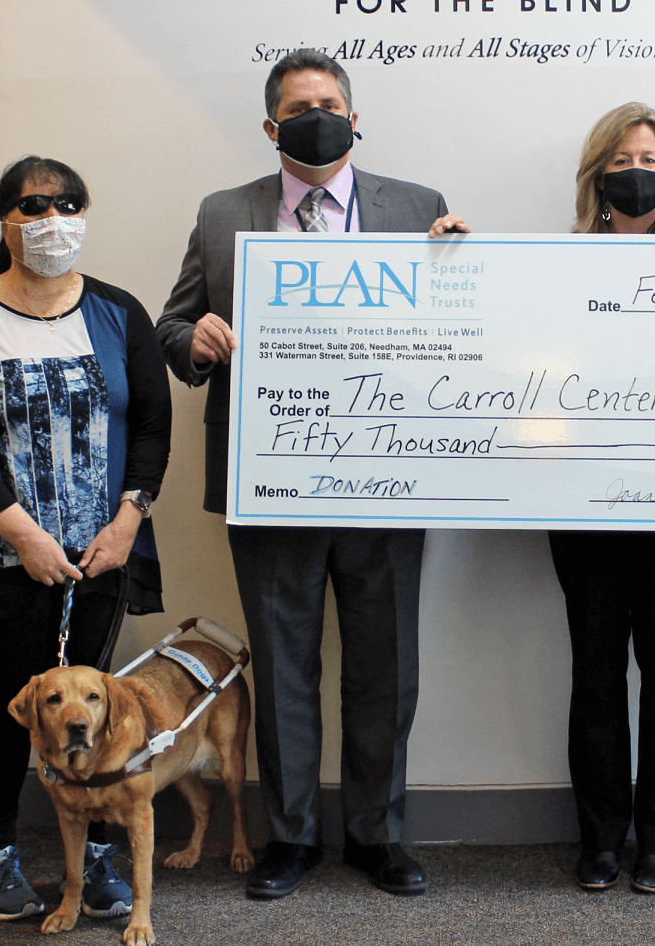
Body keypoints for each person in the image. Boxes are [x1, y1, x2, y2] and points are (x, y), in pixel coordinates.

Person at [156, 48, 466, 900]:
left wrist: (465, 268)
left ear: (354, 118)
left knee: (384, 667)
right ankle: (289, 835)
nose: (317, 117)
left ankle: (377, 833)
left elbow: (459, 321)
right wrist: (195, 340)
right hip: (271, 481)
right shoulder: (224, 213)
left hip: (387, 476)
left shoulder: (418, 207)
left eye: (329, 104)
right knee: (284, 663)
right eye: (299, 108)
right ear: (271, 126)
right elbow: (171, 325)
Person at [0, 157, 172, 920]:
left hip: (101, 550)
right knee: (13, 701)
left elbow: (152, 425)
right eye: (33, 206)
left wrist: (128, 518)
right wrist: (23, 533)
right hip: (2, 551)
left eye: (66, 204)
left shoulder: (119, 312)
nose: (51, 219)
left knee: (95, 701)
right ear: (5, 219)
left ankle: (96, 857)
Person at [548, 102, 655, 895]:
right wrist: (454, 258)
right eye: (620, 160)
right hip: (580, 508)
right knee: (595, 674)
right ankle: (600, 838)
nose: (635, 172)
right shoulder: (553, 267)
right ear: (597, 175)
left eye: (648, 159)